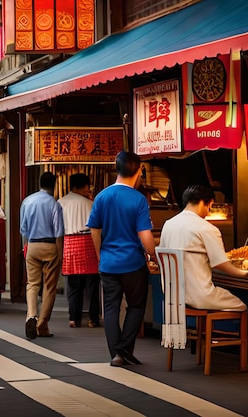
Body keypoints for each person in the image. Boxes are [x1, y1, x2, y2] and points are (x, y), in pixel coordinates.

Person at [87, 151, 156, 367]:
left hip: (108, 263)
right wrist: (154, 254)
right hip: (133, 263)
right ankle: (123, 349)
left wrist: (100, 256)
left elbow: (94, 230)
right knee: (136, 306)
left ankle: (116, 354)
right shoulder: (138, 199)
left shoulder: (101, 196)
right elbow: (145, 236)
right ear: (137, 171)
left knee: (110, 308)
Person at [159, 185, 248, 311]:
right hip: (200, 297)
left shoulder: (168, 224)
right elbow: (221, 264)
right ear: (203, 203)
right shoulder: (207, 228)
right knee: (241, 306)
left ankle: (203, 330)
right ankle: (213, 330)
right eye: (210, 207)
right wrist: (244, 274)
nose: (208, 212)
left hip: (173, 295)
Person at [20, 171, 64, 339]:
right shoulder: (54, 203)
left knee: (32, 284)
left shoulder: (27, 201)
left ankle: (31, 315)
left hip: (32, 244)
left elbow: (23, 228)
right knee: (49, 287)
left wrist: (27, 245)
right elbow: (59, 231)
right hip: (50, 245)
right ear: (54, 185)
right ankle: (42, 325)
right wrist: (60, 254)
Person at [58, 173, 100, 329]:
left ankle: (74, 319)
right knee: (92, 285)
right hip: (88, 242)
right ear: (84, 186)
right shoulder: (90, 203)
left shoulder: (60, 202)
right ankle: (93, 319)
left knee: (73, 285)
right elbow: (98, 226)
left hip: (69, 243)